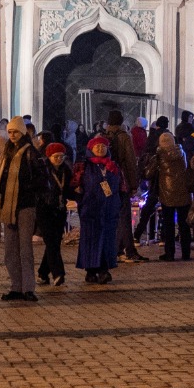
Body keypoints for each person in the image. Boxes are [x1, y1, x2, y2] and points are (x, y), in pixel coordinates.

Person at [0, 116, 42, 301]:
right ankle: (16, 286)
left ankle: (28, 287)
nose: (12, 135)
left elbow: (40, 180)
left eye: (15, 132)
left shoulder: (31, 153)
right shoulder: (6, 153)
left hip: (25, 205)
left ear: (22, 132)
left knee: (25, 248)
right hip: (8, 206)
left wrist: (24, 187)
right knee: (10, 249)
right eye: (10, 132)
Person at [76, 134, 124, 284]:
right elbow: (77, 188)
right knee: (90, 241)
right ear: (91, 148)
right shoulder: (84, 166)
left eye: (103, 146)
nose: (100, 149)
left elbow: (121, 187)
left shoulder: (113, 166)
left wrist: (118, 204)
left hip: (109, 210)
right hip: (91, 210)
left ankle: (104, 270)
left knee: (107, 241)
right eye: (97, 146)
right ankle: (90, 270)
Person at [103, 111, 144, 262]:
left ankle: (116, 249)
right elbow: (131, 162)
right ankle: (129, 251)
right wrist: (134, 184)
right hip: (121, 180)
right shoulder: (124, 137)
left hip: (107, 181)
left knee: (114, 217)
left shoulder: (103, 136)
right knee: (125, 216)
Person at [148, 132, 193, 262]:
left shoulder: (160, 154)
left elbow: (149, 173)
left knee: (168, 224)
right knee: (184, 224)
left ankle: (170, 253)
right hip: (184, 192)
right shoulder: (181, 151)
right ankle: (186, 253)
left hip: (167, 192)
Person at [36, 142, 74, 288]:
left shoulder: (66, 170)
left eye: (61, 156)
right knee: (51, 242)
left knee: (54, 242)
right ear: (49, 156)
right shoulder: (43, 170)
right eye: (55, 156)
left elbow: (68, 190)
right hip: (45, 209)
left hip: (59, 210)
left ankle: (43, 273)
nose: (59, 159)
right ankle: (58, 273)